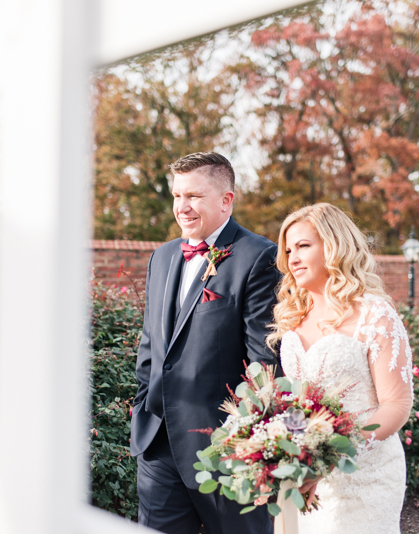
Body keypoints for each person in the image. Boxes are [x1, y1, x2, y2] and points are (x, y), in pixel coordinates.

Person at [130, 152, 278, 534]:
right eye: (178, 195)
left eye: (194, 196)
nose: (182, 206)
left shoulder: (258, 256)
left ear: (226, 200)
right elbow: (151, 346)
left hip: (224, 448)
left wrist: (247, 440)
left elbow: (263, 360)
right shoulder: (161, 257)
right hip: (158, 444)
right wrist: (142, 407)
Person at [268, 203, 414, 534]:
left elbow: (397, 404)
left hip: (366, 474)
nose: (292, 258)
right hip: (306, 475)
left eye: (304, 246)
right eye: (288, 249)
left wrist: (332, 456)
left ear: (334, 247)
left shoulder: (374, 315)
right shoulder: (293, 316)